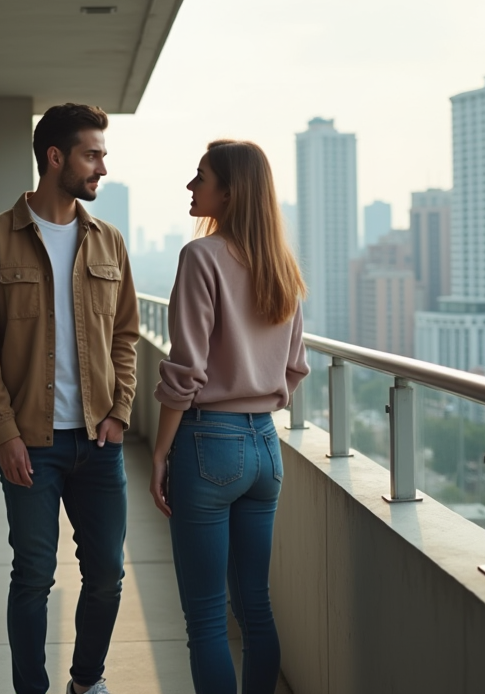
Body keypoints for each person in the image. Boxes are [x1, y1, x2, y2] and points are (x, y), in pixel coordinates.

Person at [0, 103, 139, 694]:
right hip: (30, 445)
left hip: (99, 442)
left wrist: (119, 411)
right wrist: (3, 433)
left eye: (103, 155)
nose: (102, 167)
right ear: (55, 158)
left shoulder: (108, 242)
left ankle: (86, 682)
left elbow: (125, 336)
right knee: (34, 577)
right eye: (92, 155)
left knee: (107, 575)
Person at [149, 139, 309, 694]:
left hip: (208, 446)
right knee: (256, 608)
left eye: (201, 176)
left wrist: (161, 452)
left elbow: (185, 371)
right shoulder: (282, 267)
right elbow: (296, 368)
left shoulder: (202, 256)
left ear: (230, 191)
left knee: (206, 618)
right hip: (265, 446)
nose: (191, 186)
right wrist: (257, 403)